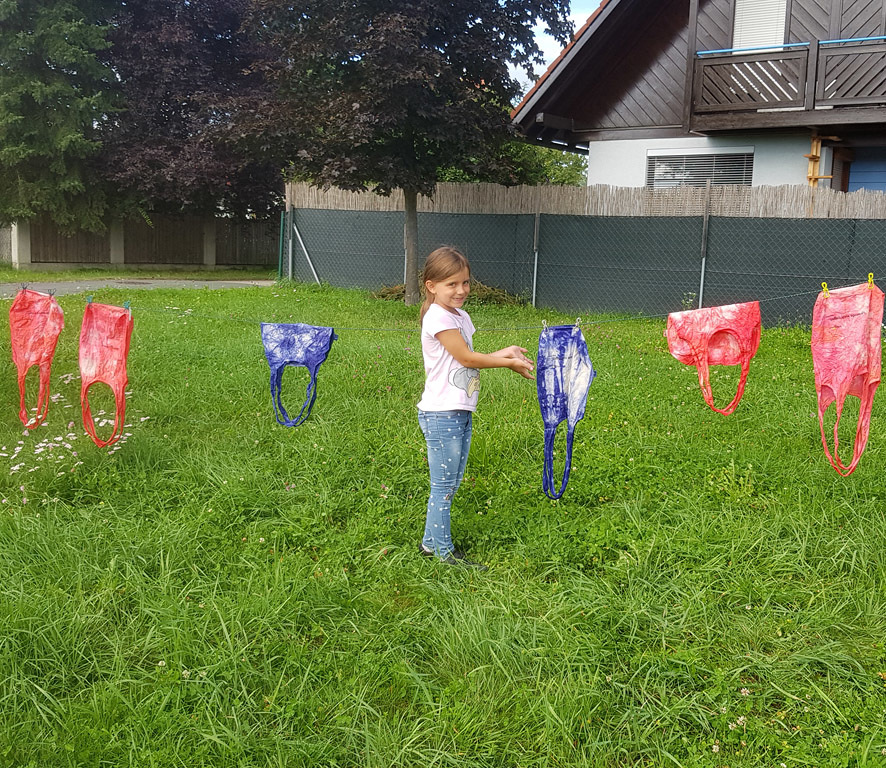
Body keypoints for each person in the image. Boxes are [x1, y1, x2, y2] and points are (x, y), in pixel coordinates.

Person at [417, 246, 534, 569]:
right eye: (451, 284)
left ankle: (430, 544)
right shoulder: (437, 317)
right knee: (443, 488)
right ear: (431, 286)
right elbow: (468, 359)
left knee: (450, 484)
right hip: (441, 413)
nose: (461, 290)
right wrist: (507, 363)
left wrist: (505, 352)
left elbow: (464, 361)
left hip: (459, 410)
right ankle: (443, 554)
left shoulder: (460, 317)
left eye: (465, 282)